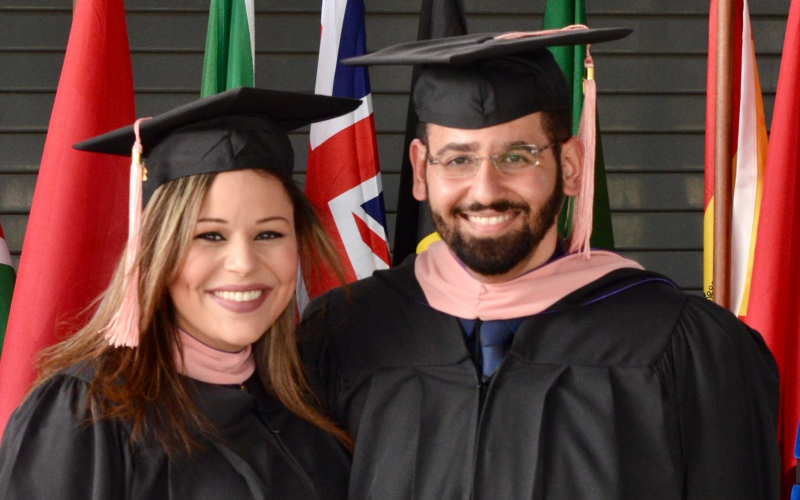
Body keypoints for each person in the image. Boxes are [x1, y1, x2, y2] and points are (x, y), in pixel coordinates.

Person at [299, 28, 781, 499]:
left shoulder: (681, 345)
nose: (485, 190)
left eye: (517, 156)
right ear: (421, 170)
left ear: (570, 166)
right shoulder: (345, 333)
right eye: (457, 160)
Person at [0, 87, 361, 500]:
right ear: (155, 249)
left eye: (269, 233)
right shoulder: (87, 413)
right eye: (209, 235)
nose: (243, 262)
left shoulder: (305, 400)